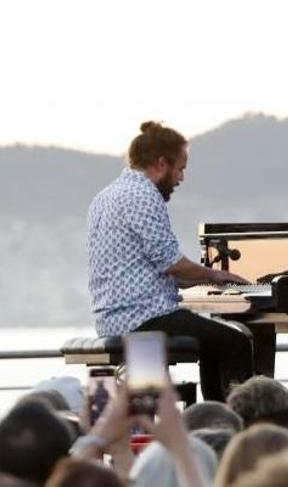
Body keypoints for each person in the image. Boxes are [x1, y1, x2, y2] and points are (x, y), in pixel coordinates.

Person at [87, 121, 254, 400]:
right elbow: (171, 263)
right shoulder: (143, 195)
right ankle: (231, 427)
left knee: (213, 339)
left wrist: (198, 278)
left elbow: (154, 270)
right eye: (181, 168)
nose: (181, 178)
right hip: (142, 318)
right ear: (162, 163)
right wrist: (214, 276)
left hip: (111, 318)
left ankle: (212, 419)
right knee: (234, 341)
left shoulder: (105, 197)